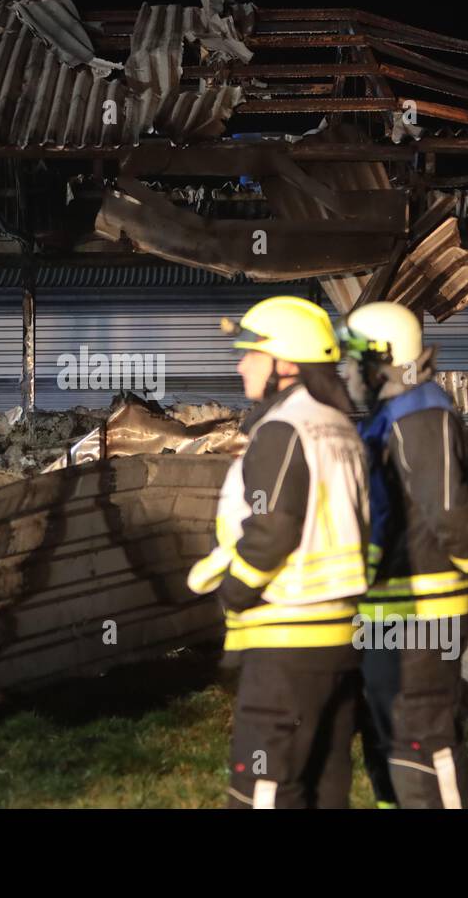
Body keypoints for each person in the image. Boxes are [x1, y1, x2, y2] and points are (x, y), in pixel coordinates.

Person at [188, 296, 370, 809]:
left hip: (288, 640)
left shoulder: (283, 430)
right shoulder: (339, 427)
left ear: (286, 364)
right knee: (323, 786)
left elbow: (273, 529)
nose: (241, 362)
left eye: (251, 352)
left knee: (263, 791)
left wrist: (235, 591)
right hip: (338, 639)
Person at [339, 301, 468, 810]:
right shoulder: (394, 416)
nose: (345, 369)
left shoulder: (421, 416)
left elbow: (451, 515)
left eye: (354, 357)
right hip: (392, 610)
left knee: (423, 735)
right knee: (389, 735)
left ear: (381, 358)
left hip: (427, 616)